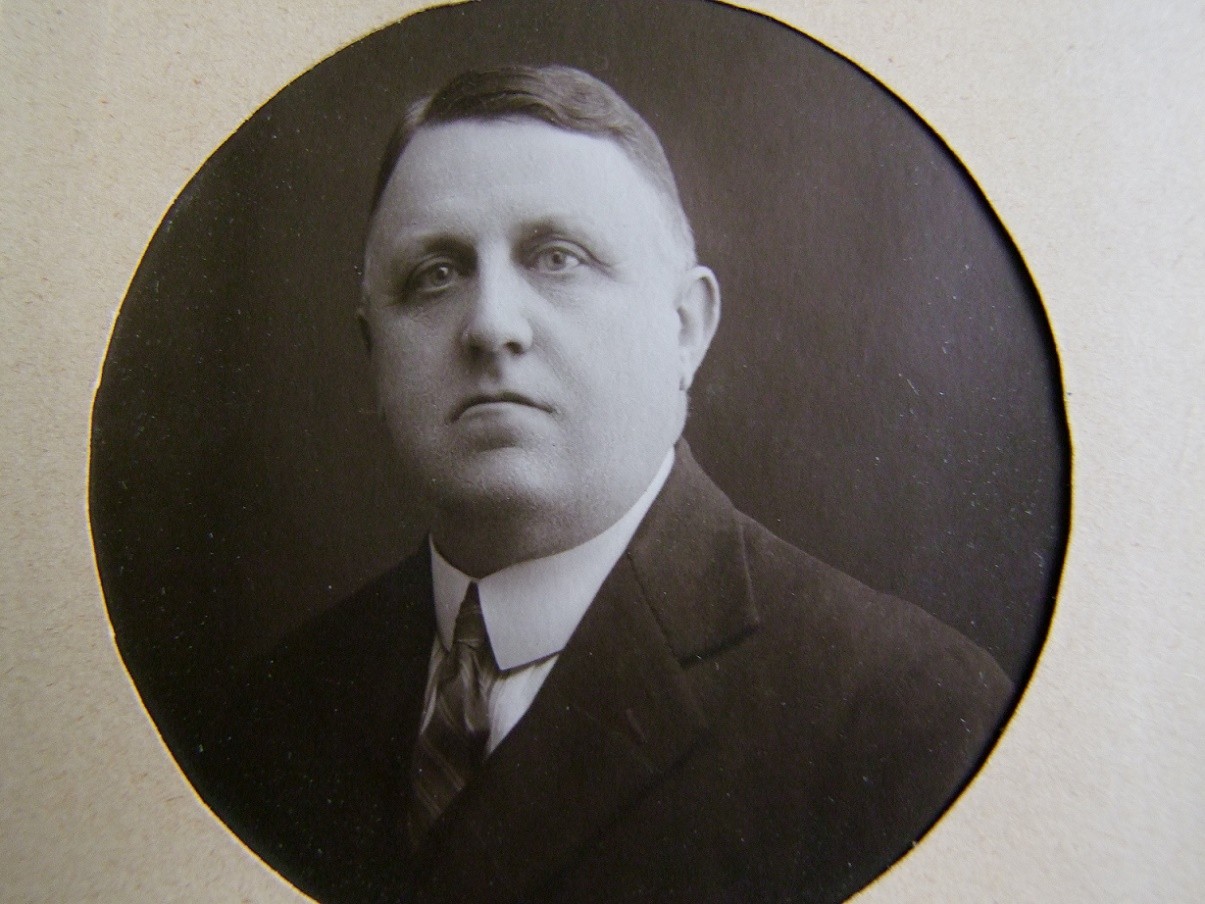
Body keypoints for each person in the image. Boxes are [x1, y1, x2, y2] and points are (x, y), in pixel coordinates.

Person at [204, 65, 1012, 904]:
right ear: (374, 348)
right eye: (435, 274)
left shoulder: (903, 717)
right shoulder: (270, 718)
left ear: (684, 328)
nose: (490, 325)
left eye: (558, 258)